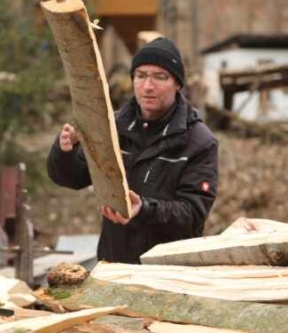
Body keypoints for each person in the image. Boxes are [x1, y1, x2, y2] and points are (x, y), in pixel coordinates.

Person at [47, 37, 218, 264]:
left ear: (177, 84)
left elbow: (192, 215)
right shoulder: (111, 126)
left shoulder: (199, 141)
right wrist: (66, 150)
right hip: (113, 266)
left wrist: (144, 209)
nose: (148, 86)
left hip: (170, 273)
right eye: (141, 75)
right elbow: (72, 178)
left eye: (160, 77)